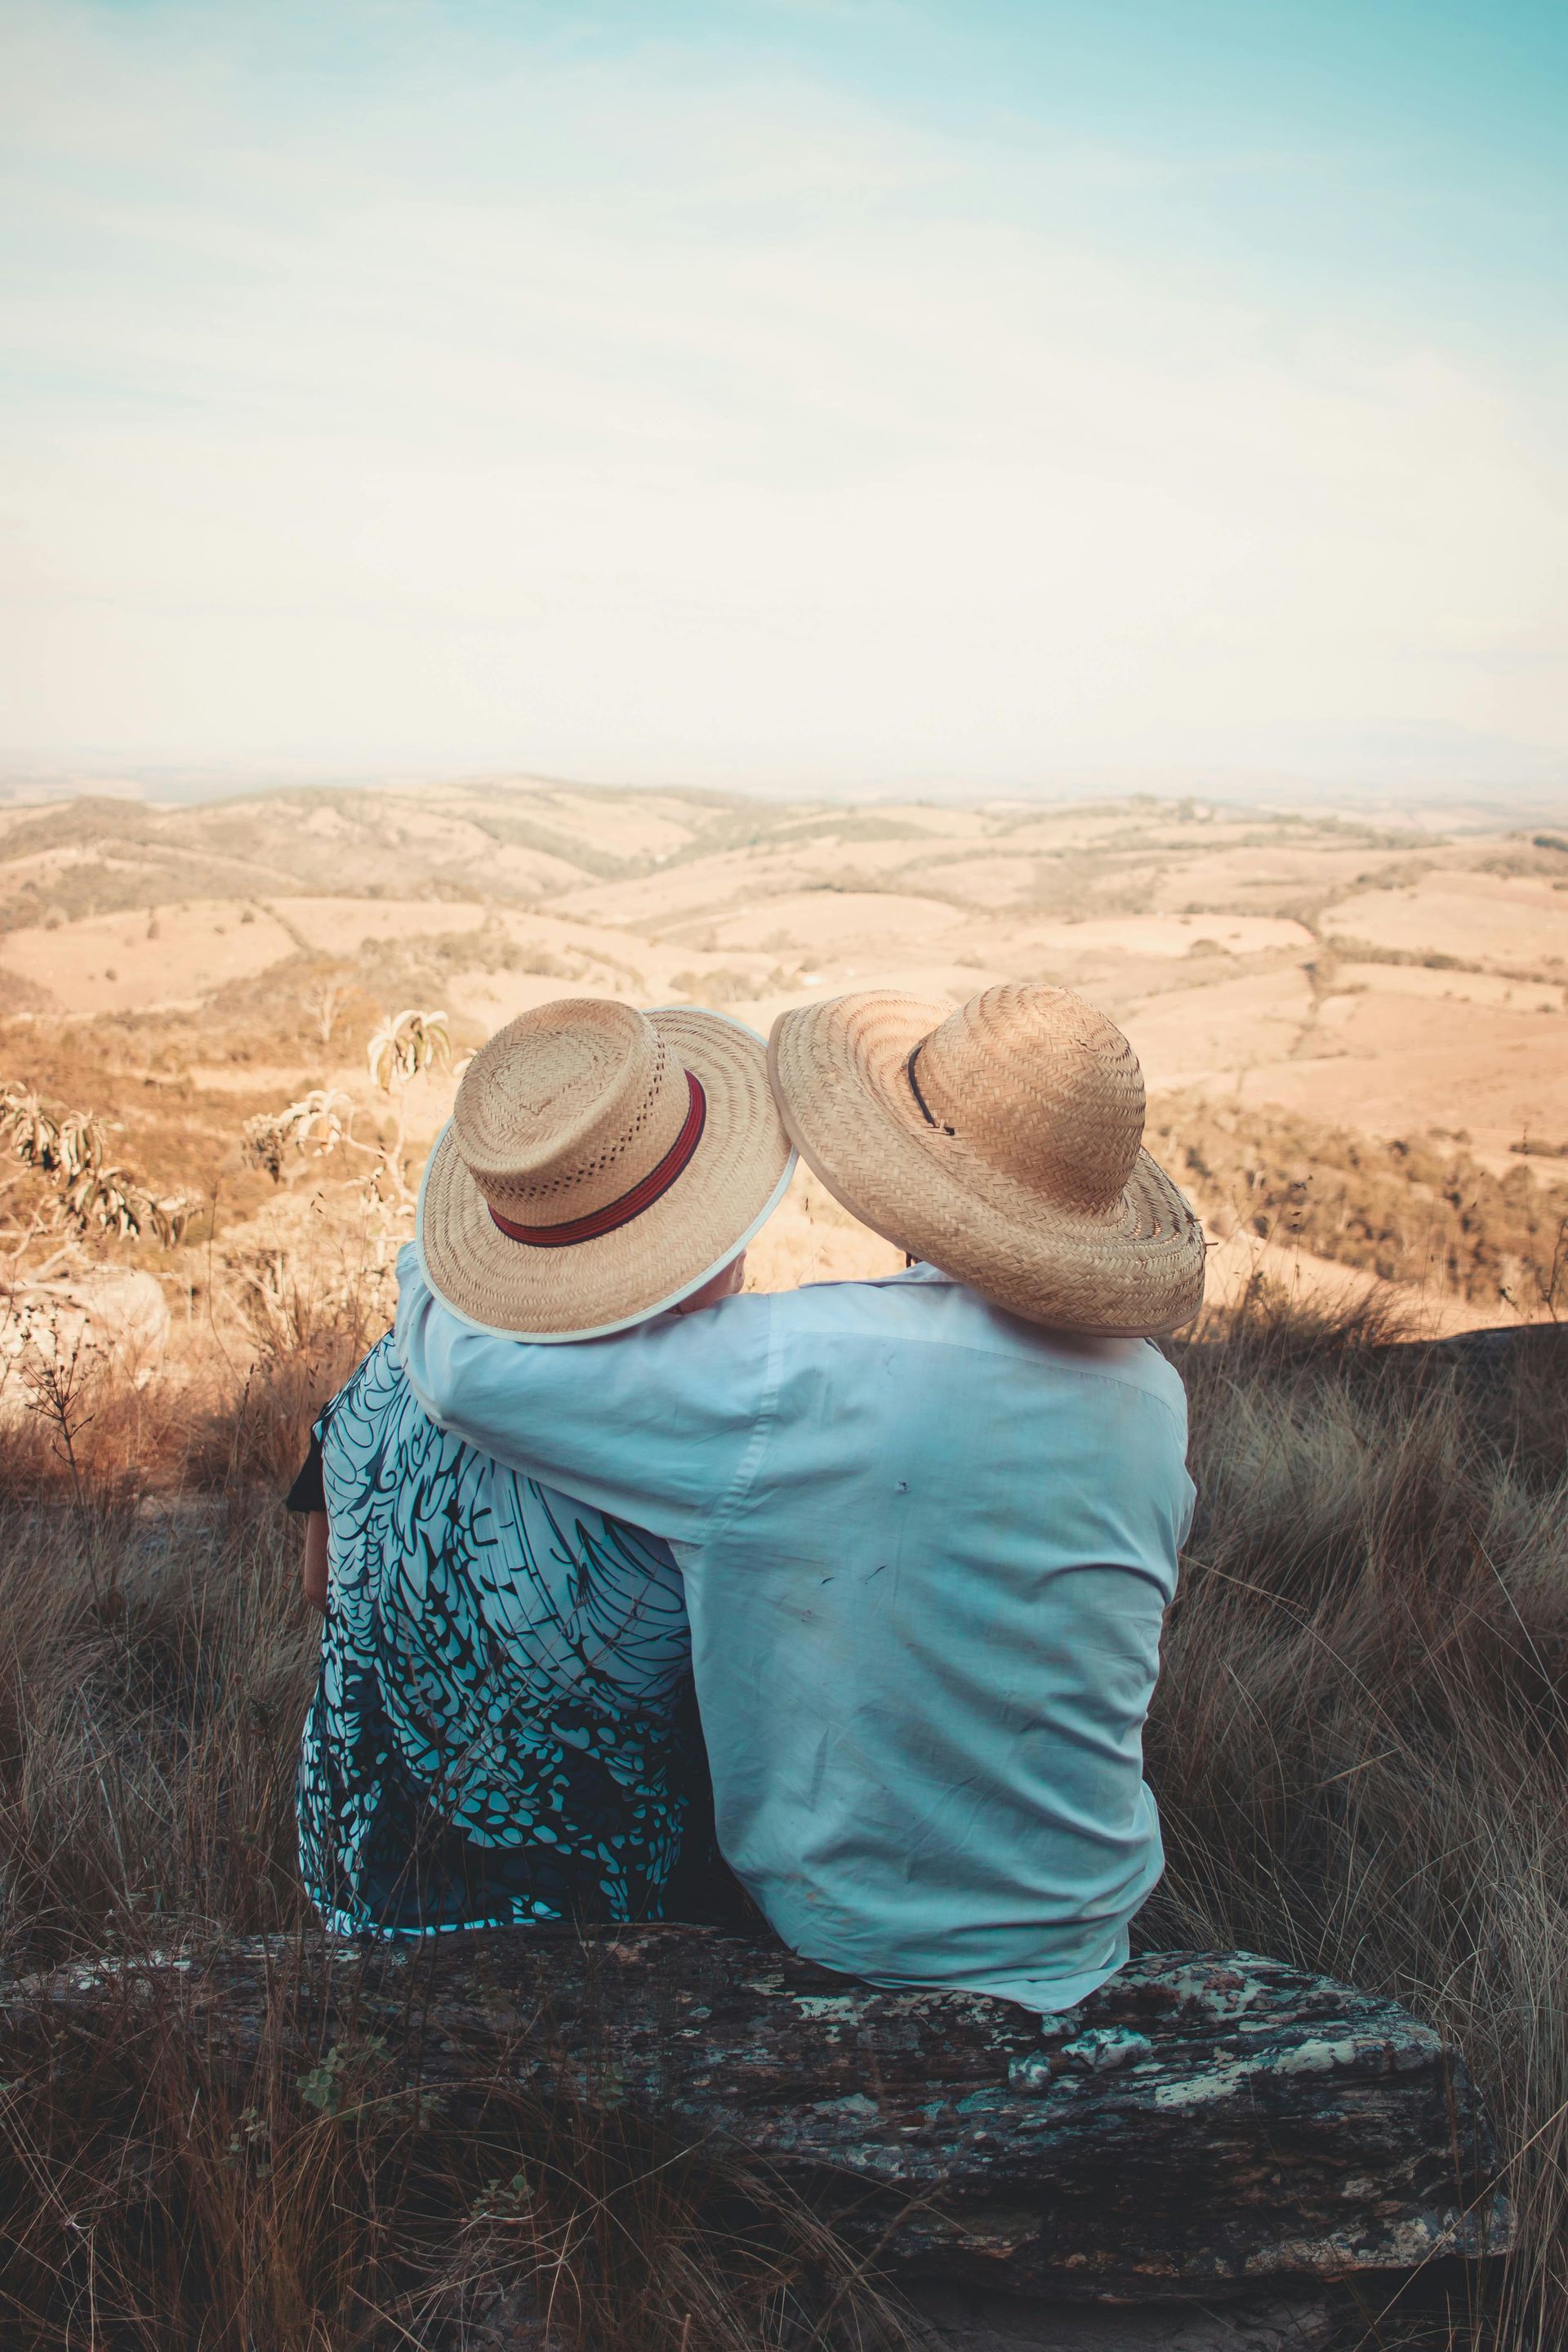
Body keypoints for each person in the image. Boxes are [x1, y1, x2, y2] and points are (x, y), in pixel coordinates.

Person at [398, 980, 1207, 2012]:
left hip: (858, 1936)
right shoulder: (1152, 1396)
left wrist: (443, 1246)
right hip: (1090, 1922)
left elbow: (469, 1374)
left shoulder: (802, 1368)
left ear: (909, 1163)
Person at [286, 996, 794, 1935]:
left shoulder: (383, 1371)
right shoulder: (690, 1429)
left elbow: (318, 1583)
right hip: (600, 1933)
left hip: (352, 1884)